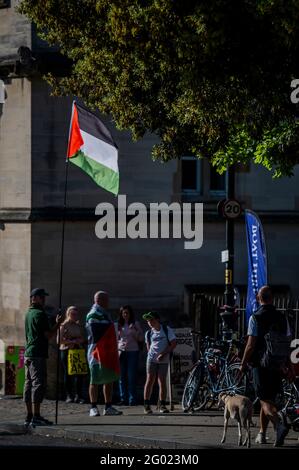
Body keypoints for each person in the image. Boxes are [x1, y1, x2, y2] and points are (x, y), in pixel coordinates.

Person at [238, 286, 289, 447]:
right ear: (272, 298)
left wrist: (243, 364)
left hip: (260, 364)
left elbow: (251, 345)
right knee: (268, 399)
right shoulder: (282, 317)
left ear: (259, 298)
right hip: (277, 364)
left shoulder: (256, 317)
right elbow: (287, 342)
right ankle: (262, 434)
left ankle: (279, 424)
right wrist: (288, 365)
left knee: (263, 399)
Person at [23, 288, 63, 427]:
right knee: (38, 384)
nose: (44, 299)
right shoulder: (40, 314)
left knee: (28, 383)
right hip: (38, 353)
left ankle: (29, 415)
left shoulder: (28, 313)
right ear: (34, 298)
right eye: (42, 297)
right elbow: (48, 335)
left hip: (28, 352)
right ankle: (36, 415)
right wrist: (57, 324)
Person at [86, 291, 122, 416]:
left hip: (107, 350)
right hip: (96, 351)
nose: (108, 302)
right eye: (106, 299)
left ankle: (108, 406)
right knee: (94, 379)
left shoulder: (105, 313)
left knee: (109, 378)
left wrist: (114, 327)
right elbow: (95, 329)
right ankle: (93, 407)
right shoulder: (93, 313)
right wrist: (114, 327)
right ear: (99, 300)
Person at [143, 311, 176, 414]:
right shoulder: (148, 333)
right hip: (151, 359)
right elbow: (148, 347)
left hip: (163, 359)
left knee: (162, 381)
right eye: (148, 320)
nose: (149, 322)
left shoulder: (166, 330)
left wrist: (163, 353)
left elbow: (173, 343)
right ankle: (146, 405)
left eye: (151, 319)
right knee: (149, 380)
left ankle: (162, 405)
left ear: (157, 319)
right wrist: (152, 356)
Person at [117, 305, 144, 406]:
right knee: (121, 377)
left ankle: (132, 399)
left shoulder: (135, 324)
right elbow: (116, 338)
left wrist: (134, 332)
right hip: (121, 352)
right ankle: (123, 398)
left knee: (131, 376)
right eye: (123, 313)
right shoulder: (119, 325)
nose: (125, 315)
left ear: (130, 314)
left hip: (133, 351)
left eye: (127, 313)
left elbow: (141, 339)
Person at [59, 306, 86, 404]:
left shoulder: (78, 325)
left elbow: (83, 338)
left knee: (80, 374)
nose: (75, 316)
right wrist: (71, 341)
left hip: (77, 351)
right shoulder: (64, 325)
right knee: (68, 374)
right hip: (67, 351)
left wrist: (79, 340)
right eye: (72, 314)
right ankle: (69, 395)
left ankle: (79, 396)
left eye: (76, 314)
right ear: (68, 314)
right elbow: (59, 340)